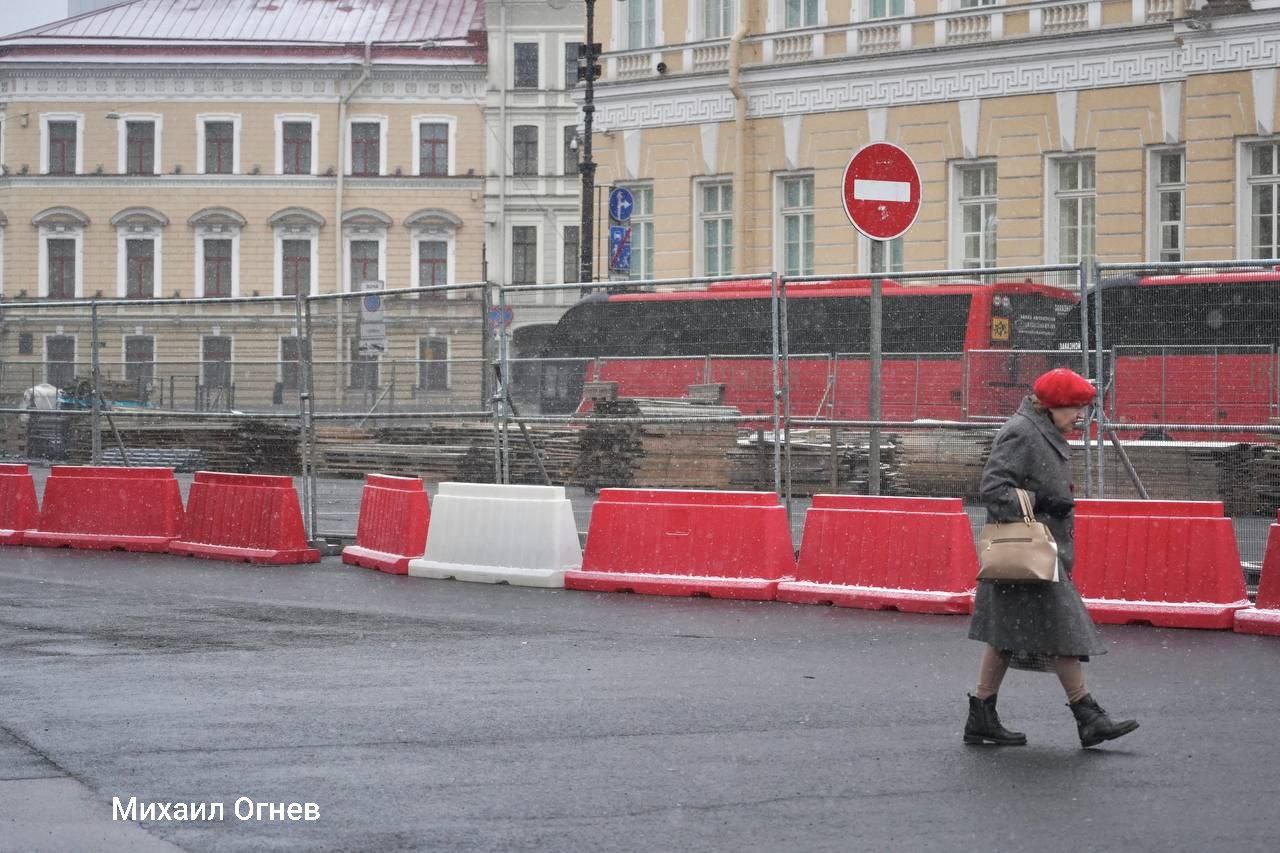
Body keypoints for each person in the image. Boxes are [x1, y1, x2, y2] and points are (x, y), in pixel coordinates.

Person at [964, 367, 1140, 748]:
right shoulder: (1022, 431)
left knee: (1004, 635)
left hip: (1038, 551)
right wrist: (1039, 501)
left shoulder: (1042, 430)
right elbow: (993, 488)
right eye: (1075, 408)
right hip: (1031, 552)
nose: (1080, 416)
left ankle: (981, 716)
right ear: (1054, 406)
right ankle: (1088, 715)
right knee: (1063, 628)